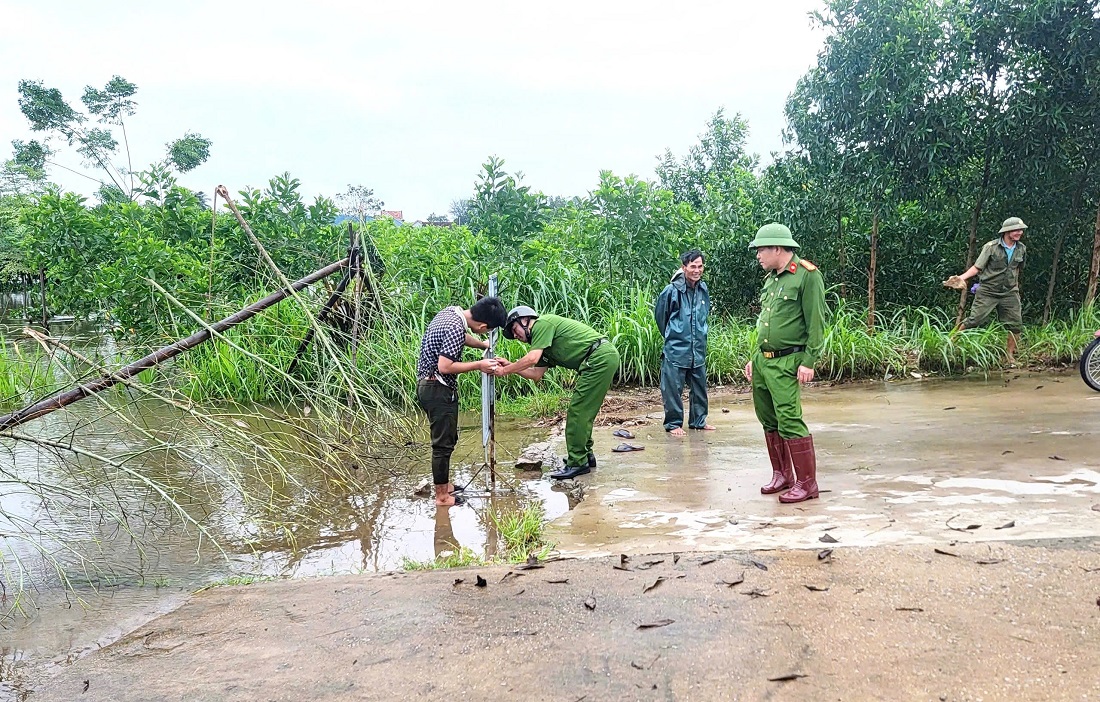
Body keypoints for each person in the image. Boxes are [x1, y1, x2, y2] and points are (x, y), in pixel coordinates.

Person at [743, 223, 828, 504]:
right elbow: (766, 322)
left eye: (760, 250)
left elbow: (816, 323)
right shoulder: (772, 279)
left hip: (788, 361)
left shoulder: (806, 276)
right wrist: (756, 356)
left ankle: (807, 483)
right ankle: (782, 475)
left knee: (789, 419)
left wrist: (809, 361)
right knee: (768, 418)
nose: (757, 256)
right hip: (764, 361)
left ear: (777, 248)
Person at [494, 306, 620, 480]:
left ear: (524, 321)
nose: (515, 336)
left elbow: (531, 359)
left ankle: (578, 463)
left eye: (514, 330)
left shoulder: (541, 324)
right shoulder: (543, 345)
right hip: (597, 360)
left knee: (578, 411)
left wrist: (505, 371)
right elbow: (536, 374)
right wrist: (510, 365)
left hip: (598, 358)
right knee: (583, 411)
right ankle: (585, 456)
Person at [415, 296, 508, 506]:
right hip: (437, 388)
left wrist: (481, 344)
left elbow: (461, 337)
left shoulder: (451, 314)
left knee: (448, 438)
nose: (485, 334)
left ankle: (445, 486)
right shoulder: (456, 327)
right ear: (483, 325)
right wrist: (479, 364)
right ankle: (442, 497)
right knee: (442, 445)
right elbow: (445, 367)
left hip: (429, 386)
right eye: (487, 332)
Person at [654, 249, 715, 436]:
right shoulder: (671, 291)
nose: (697, 270)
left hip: (698, 348)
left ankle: (698, 421)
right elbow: (661, 318)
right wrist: (676, 335)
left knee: (699, 388)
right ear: (684, 267)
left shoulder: (703, 289)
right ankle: (673, 424)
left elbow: (703, 318)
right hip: (676, 349)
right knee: (672, 389)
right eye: (693, 266)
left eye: (700, 266)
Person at [952, 216, 1028, 361]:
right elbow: (977, 267)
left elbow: (1018, 269)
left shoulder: (1021, 249)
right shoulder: (991, 247)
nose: (1020, 233)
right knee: (974, 320)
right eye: (1016, 230)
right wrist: (962, 277)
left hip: (1009, 292)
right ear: (1007, 231)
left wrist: (1015, 288)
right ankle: (950, 342)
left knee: (1016, 324)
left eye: (1021, 230)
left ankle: (1009, 355)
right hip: (988, 291)